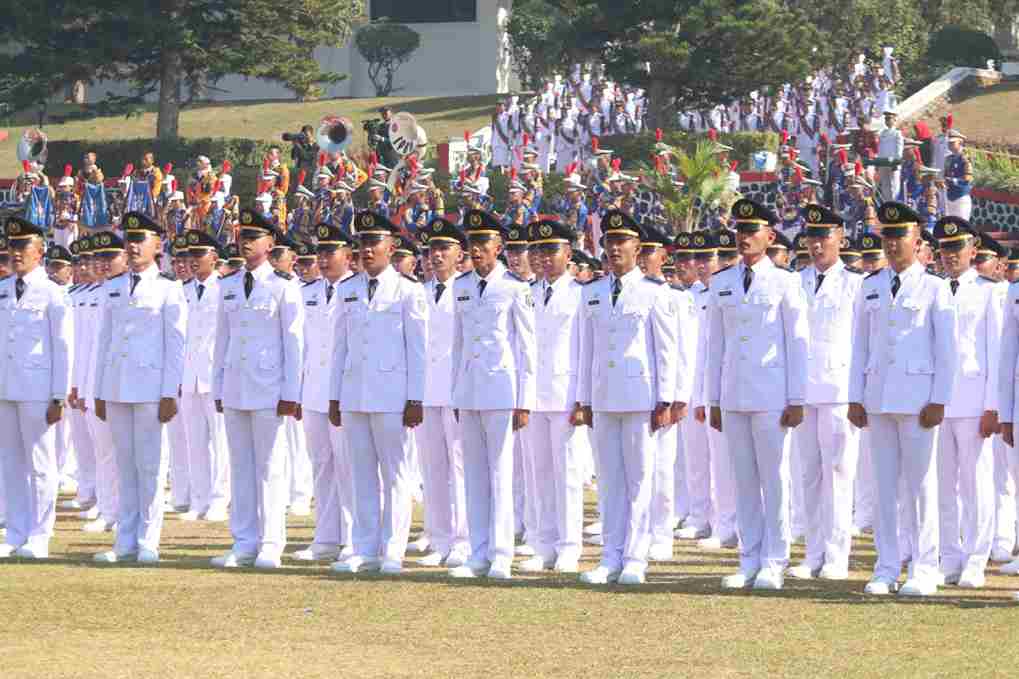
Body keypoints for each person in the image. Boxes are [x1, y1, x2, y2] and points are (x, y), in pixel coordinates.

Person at [849, 202, 957, 597]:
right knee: (883, 488)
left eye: (900, 236)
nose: (892, 244)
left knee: (921, 487)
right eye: (887, 237)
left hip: (917, 401)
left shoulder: (935, 288)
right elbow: (859, 345)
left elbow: (947, 350)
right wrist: (854, 396)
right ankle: (886, 566)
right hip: (877, 398)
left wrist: (940, 399)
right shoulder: (871, 286)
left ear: (917, 241)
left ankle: (924, 568)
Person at [708, 198, 809, 591]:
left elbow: (797, 344)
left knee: (775, 480)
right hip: (734, 394)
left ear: (770, 236)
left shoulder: (787, 282)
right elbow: (714, 346)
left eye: (752, 231)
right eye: (740, 231)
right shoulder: (722, 281)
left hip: (771, 395)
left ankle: (775, 560)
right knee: (743, 481)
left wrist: (797, 397)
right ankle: (749, 558)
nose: (745, 238)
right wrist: (712, 399)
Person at [577, 210, 681, 586]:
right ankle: (610, 556)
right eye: (610, 242)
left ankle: (636, 557)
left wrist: (666, 399)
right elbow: (583, 351)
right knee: (609, 481)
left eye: (622, 242)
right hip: (604, 396)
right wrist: (583, 399)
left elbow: (665, 349)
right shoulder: (591, 292)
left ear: (638, 247)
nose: (615, 248)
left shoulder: (654, 292)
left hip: (641, 397)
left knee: (640, 480)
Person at [328, 211, 428, 576]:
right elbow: (339, 347)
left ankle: (393, 551)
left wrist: (416, 398)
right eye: (362, 243)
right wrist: (334, 396)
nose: (367, 250)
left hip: (393, 397)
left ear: (391, 246)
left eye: (374, 243)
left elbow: (418, 349)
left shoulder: (408, 291)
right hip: (355, 393)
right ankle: (364, 548)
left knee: (397, 475)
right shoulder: (347, 289)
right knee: (361, 475)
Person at [211, 208, 304, 570]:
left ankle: (270, 543)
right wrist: (218, 384)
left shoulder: (284, 286)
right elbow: (222, 339)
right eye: (243, 236)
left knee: (270, 467)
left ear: (271, 243)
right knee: (241, 467)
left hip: (269, 388)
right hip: (235, 384)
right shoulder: (229, 284)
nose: (247, 242)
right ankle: (244, 541)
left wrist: (290, 393)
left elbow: (293, 343)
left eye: (255, 237)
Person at [92, 211, 187, 564]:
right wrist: (99, 390)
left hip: (150, 388)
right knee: (124, 466)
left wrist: (169, 392)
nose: (132, 246)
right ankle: (125, 539)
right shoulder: (113, 287)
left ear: (157, 246)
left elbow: (176, 344)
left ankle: (149, 539)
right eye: (129, 240)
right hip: (116, 386)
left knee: (149, 466)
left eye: (139, 240)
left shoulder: (168, 289)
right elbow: (104, 342)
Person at [448, 209, 536, 580]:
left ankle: (501, 553)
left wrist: (524, 400)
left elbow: (527, 348)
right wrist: (455, 392)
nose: (477, 250)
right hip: (469, 390)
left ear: (499, 247)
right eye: (473, 244)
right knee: (474, 474)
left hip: (502, 389)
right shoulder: (461, 286)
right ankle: (477, 552)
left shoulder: (516, 287)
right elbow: (457, 343)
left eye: (484, 243)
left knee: (501, 472)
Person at [787, 205, 863, 581]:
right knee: (808, 476)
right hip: (802, 390)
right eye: (811, 238)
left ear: (840, 240)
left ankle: (836, 556)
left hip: (838, 390)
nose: (817, 245)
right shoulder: (793, 281)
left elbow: (863, 343)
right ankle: (812, 554)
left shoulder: (856, 284)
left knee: (838, 473)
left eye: (824, 237)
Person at [933, 217, 1003, 589]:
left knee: (976, 482)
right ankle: (949, 555)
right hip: (938, 402)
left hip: (975, 400)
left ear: (972, 250)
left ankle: (976, 558)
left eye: (956, 247)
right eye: (944, 248)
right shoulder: (934, 289)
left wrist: (993, 406)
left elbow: (996, 350)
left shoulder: (991, 291)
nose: (950, 255)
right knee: (943, 485)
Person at [0, 217, 73, 560]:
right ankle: (15, 532)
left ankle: (40, 534)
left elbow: (63, 346)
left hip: (37, 389)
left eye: (22, 247)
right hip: (5, 387)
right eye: (12, 247)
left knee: (41, 466)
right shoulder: (2, 290)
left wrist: (59, 395)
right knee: (10, 464)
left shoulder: (52, 293)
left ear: (39, 251)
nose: (16, 254)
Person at [520, 217, 587, 574]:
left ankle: (569, 546)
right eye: (538, 251)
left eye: (551, 250)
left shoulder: (581, 294)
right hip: (533, 396)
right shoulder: (526, 293)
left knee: (568, 475)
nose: (544, 257)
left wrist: (582, 398)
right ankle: (542, 544)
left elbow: (584, 350)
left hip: (565, 395)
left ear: (568, 253)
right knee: (538, 474)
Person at [293, 223, 356, 563]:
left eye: (331, 252)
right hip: (314, 390)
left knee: (349, 467)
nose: (324, 258)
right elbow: (302, 345)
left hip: (346, 393)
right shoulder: (308, 292)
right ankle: (326, 537)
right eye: (321, 252)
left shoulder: (358, 289)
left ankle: (351, 537)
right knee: (321, 466)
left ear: (348, 255)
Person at [414, 218, 471, 568]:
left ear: (459, 254)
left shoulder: (466, 291)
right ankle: (438, 538)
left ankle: (463, 540)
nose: (436, 256)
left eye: (443, 249)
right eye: (432, 250)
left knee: (461, 467)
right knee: (432, 468)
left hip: (457, 392)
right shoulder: (417, 293)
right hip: (424, 391)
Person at [179, 229, 230, 523]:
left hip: (215, 374)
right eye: (191, 256)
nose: (194, 261)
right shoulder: (182, 290)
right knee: (194, 441)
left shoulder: (225, 288)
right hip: (188, 375)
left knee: (220, 442)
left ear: (214, 257)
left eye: (200, 255)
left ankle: (219, 500)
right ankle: (198, 499)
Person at [944, 130, 973, 221]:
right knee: (950, 227)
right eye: (949, 143)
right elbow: (945, 175)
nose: (950, 145)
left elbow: (968, 178)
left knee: (962, 226)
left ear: (960, 142)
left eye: (953, 143)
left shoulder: (965, 158)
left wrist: (953, 180)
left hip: (961, 196)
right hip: (950, 196)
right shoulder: (948, 159)